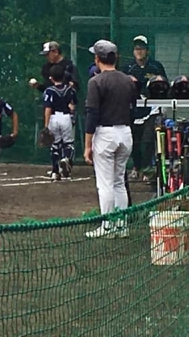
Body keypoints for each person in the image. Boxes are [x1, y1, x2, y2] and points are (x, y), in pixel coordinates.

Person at [84, 40, 139, 239]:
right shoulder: (128, 80)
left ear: (97, 58)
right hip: (125, 132)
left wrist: (87, 145)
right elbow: (133, 107)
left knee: (105, 183)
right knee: (119, 182)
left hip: (105, 134)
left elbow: (92, 114)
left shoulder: (96, 82)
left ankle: (107, 226)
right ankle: (121, 226)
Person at [121, 35, 167, 181]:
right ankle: (136, 167)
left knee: (148, 139)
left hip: (152, 109)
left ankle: (147, 168)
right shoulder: (128, 67)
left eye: (142, 48)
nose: (139, 51)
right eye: (136, 48)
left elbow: (165, 86)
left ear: (147, 50)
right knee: (134, 140)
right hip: (133, 109)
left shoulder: (156, 66)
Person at [43, 65, 77, 181]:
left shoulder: (49, 91)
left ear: (51, 78)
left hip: (53, 118)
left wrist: (46, 125)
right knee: (68, 144)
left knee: (55, 145)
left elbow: (48, 108)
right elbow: (73, 105)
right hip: (66, 117)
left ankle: (55, 171)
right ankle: (65, 158)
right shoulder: (70, 89)